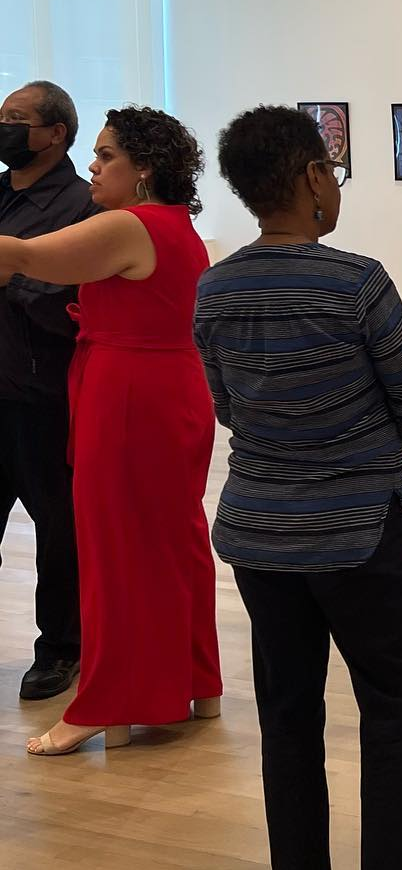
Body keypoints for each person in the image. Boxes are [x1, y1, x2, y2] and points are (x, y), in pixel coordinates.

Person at [195, 106, 402, 870]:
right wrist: (356, 452)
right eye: (330, 168)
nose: (335, 184)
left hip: (259, 533)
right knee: (394, 709)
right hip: (359, 531)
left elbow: (228, 406)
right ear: (308, 177)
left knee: (287, 712)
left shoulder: (215, 290)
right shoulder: (356, 281)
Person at [0, 107, 222, 756]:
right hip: (167, 391)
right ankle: (195, 683)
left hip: (129, 397)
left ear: (144, 168)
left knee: (117, 550)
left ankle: (109, 703)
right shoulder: (174, 225)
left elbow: (23, 257)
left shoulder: (129, 224)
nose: (92, 169)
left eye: (106, 157)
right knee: (170, 542)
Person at [0, 81, 94, 701]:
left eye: (16, 118)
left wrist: (15, 274)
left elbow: (72, 297)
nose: (4, 127)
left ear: (56, 133)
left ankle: (61, 648)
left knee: (58, 531)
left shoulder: (82, 207)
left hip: (42, 396)